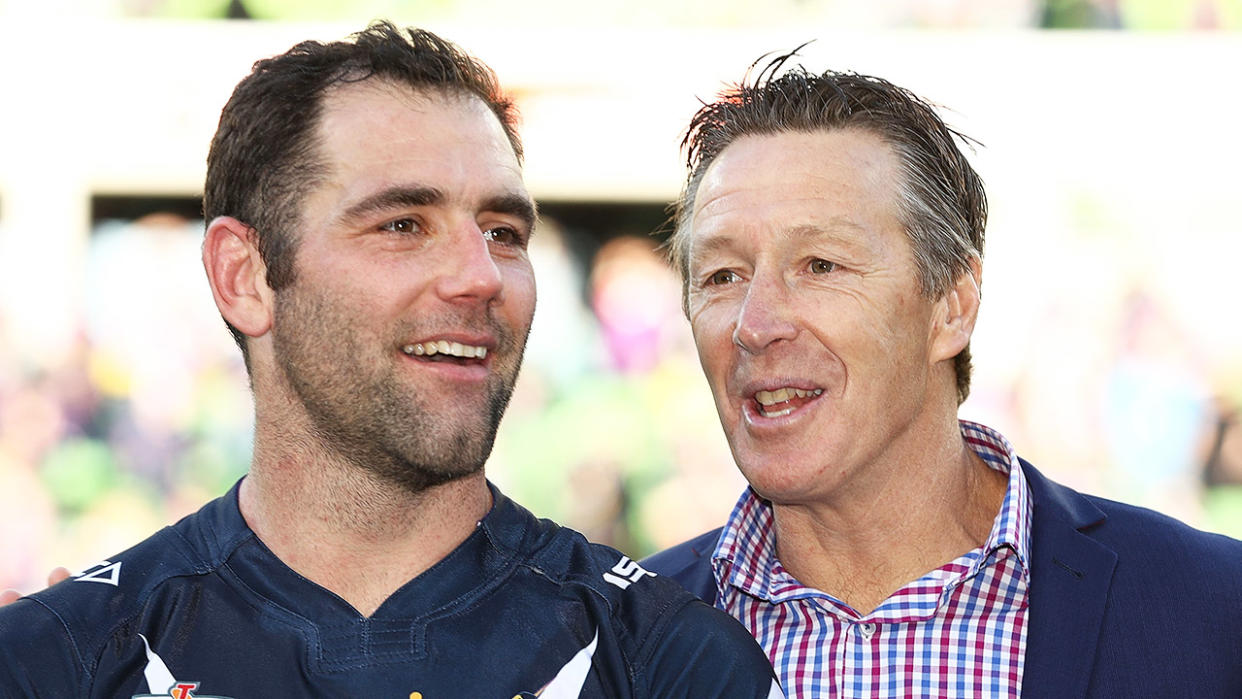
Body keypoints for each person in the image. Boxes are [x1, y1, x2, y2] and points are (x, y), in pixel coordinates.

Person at [0, 23, 782, 698]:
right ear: (244, 277)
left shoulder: (669, 661)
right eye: (404, 224)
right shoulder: (56, 661)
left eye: (504, 232)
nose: (480, 275)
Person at [642, 54, 1242, 697]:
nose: (754, 325)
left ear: (952, 306)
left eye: (820, 264)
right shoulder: (611, 641)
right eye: (722, 276)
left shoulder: (1213, 609)